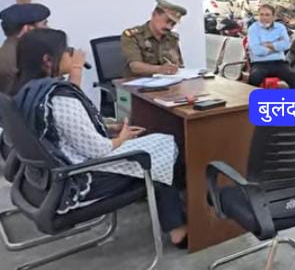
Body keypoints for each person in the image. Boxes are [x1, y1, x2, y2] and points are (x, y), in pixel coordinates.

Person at [13, 28, 188, 248]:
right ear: (48, 60)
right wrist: (122, 137)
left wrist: (107, 127)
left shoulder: (26, 92)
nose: (71, 53)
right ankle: (177, 228)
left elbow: (62, 131)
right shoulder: (59, 98)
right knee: (165, 145)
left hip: (47, 178)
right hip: (82, 179)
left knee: (154, 149)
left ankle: (173, 215)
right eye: (66, 50)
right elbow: (98, 150)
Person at [121, 0, 187, 77]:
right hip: (138, 81)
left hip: (167, 81)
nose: (169, 27)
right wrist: (160, 69)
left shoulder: (172, 38)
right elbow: (135, 67)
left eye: (173, 24)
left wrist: (175, 69)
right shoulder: (133, 36)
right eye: (167, 21)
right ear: (154, 14)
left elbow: (179, 65)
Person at [0, 3, 51, 95]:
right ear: (27, 29)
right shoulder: (19, 59)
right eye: (44, 24)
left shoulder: (8, 53)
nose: (48, 28)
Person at [246, 4, 295, 89]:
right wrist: (277, 47)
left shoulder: (280, 27)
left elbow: (286, 45)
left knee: (294, 77)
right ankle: (249, 97)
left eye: (267, 15)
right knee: (254, 78)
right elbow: (257, 51)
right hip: (260, 63)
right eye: (261, 14)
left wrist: (266, 45)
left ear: (273, 16)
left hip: (279, 63)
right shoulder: (253, 29)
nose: (264, 17)